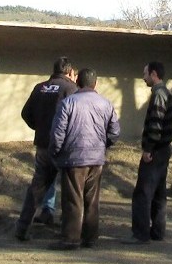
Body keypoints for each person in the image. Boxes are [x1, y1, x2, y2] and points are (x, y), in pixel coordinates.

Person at [47, 68, 120, 250]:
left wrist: (55, 151)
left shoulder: (68, 103)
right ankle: (90, 238)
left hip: (73, 158)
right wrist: (103, 145)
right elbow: (115, 132)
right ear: (95, 83)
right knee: (92, 200)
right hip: (96, 158)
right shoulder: (106, 103)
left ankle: (70, 239)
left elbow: (58, 132)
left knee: (73, 199)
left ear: (77, 81)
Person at [14, 57, 78, 241]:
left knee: (37, 187)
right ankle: (67, 232)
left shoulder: (39, 87)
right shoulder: (71, 89)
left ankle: (22, 228)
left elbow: (26, 113)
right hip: (64, 148)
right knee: (70, 189)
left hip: (43, 146)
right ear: (69, 72)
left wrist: (40, 127)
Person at [125, 61, 172, 245]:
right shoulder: (166, 93)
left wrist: (148, 149)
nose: (143, 77)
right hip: (164, 150)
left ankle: (140, 233)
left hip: (155, 151)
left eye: (145, 73)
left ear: (154, 74)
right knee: (159, 193)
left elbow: (156, 123)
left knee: (143, 193)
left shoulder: (159, 95)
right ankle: (157, 231)